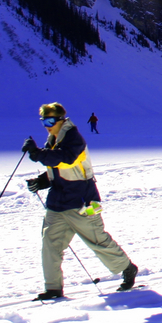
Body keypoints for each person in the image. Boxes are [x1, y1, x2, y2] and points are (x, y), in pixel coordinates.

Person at [22, 102, 137, 300]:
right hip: (58, 203)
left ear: (61, 120)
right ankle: (53, 289)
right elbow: (58, 169)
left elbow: (65, 159)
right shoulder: (54, 139)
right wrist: (42, 181)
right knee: (50, 244)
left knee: (97, 240)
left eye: (50, 121)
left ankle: (127, 268)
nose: (46, 125)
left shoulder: (74, 139)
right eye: (43, 121)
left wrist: (37, 154)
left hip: (85, 203)